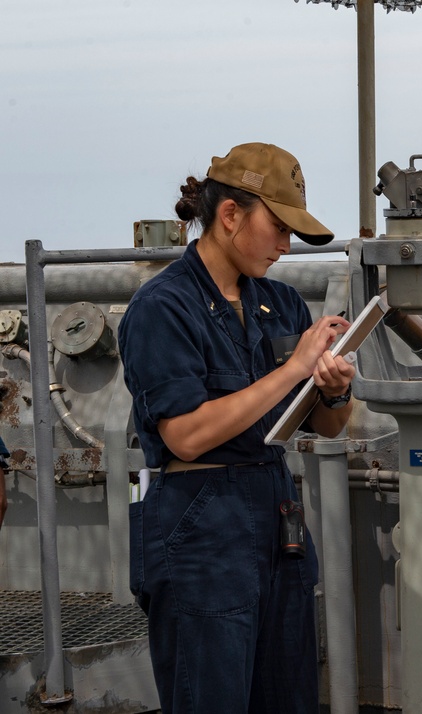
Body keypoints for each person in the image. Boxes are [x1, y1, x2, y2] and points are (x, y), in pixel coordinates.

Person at [118, 142, 355, 713]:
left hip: (276, 521)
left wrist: (333, 385)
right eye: (277, 227)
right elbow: (186, 436)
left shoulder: (282, 303)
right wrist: (296, 368)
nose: (285, 245)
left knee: (288, 695)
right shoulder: (162, 307)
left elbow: (328, 426)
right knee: (211, 695)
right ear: (229, 216)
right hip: (199, 522)